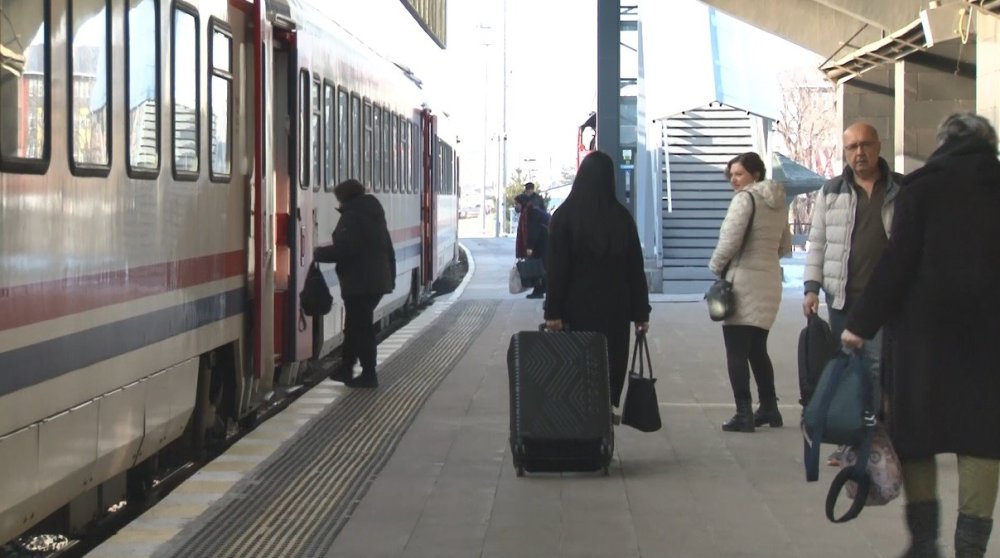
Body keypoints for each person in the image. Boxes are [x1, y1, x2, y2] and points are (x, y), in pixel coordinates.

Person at [842, 113, 1000, 558]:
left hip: (923, 343)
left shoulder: (920, 190)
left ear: (943, 143)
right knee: (984, 440)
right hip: (990, 344)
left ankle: (924, 541)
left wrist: (859, 325)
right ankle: (971, 548)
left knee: (917, 437)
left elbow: (897, 264)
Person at [802, 122, 903, 462]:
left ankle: (868, 438)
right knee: (847, 369)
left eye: (866, 145)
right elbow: (817, 242)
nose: (860, 152)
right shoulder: (832, 191)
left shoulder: (900, 189)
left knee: (874, 368)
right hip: (843, 298)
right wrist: (811, 288)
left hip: (885, 301)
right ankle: (851, 434)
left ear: (878, 146)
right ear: (845, 152)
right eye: (852, 147)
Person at [543, 150, 650, 421]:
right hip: (615, 311)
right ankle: (604, 420)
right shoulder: (622, 218)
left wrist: (553, 312)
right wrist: (641, 314)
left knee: (576, 368)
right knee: (608, 366)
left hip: (575, 311)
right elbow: (635, 270)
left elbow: (557, 271)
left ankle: (579, 424)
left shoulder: (563, 217)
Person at [708, 152, 792, 433]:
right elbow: (785, 245)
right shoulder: (778, 203)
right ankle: (769, 408)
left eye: (739, 174)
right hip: (769, 280)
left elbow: (730, 240)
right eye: (731, 175)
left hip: (744, 283)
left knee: (736, 350)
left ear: (755, 174)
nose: (734, 180)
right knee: (758, 349)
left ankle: (743, 413)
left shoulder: (745, 199)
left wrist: (715, 266)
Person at [313, 179, 396, 388]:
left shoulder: (352, 216)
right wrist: (391, 277)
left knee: (361, 328)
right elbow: (387, 248)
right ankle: (347, 367)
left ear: (344, 197)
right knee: (354, 326)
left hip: (361, 283)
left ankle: (368, 374)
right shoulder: (372, 213)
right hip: (373, 281)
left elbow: (345, 249)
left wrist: (318, 253)